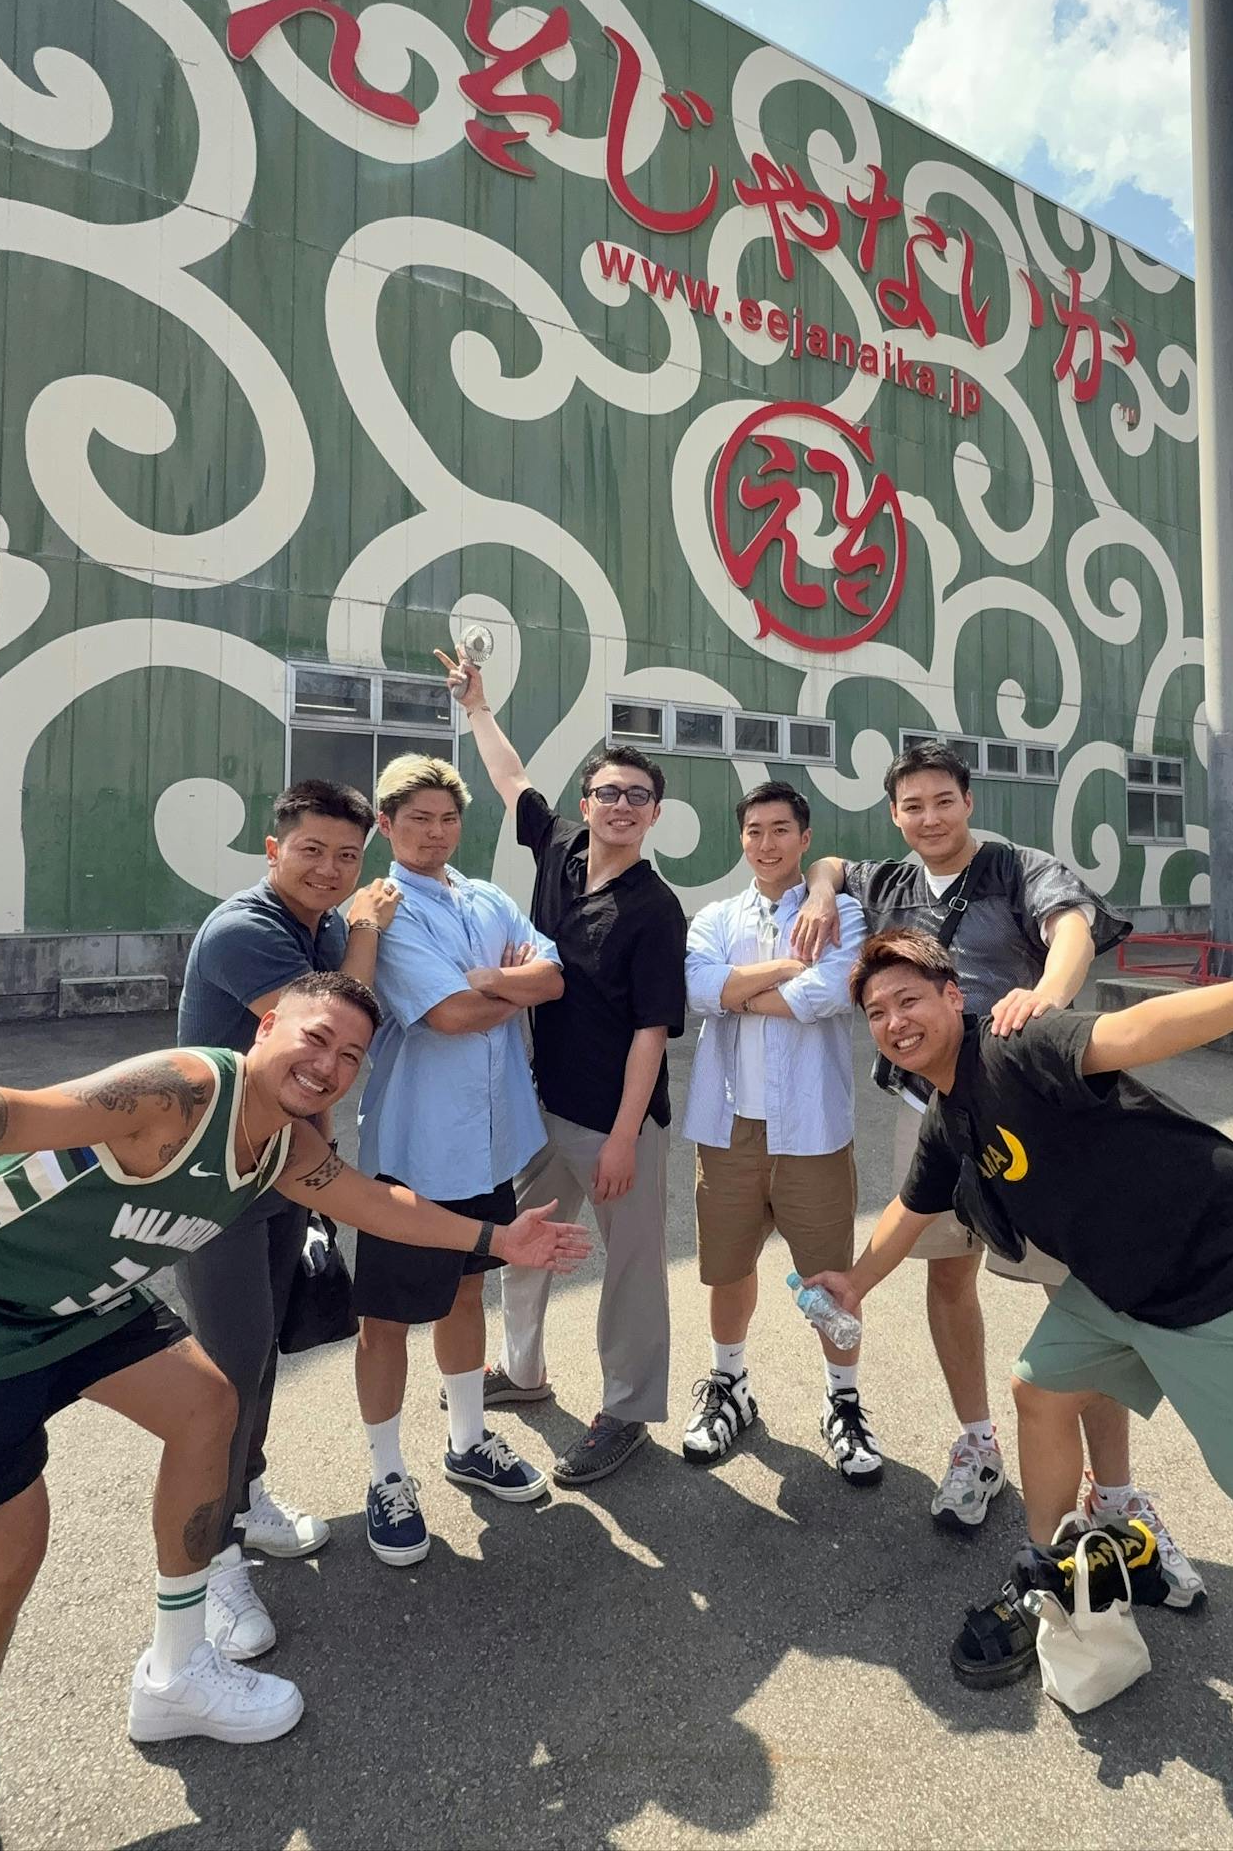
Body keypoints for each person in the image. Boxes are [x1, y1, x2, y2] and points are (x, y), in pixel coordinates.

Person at [0, 973, 589, 1851]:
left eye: (350, 1057)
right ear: (264, 1027)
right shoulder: (184, 1091)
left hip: (85, 1305)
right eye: (315, 1038)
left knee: (208, 1406)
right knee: (3, 1560)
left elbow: (371, 1202)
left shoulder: (281, 1147)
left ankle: (176, 1673)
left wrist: (498, 1239)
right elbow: (3, 1113)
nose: (328, 1065)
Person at [809, 923, 1233, 1851]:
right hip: (1114, 1285)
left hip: (1216, 1269)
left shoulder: (1017, 1045)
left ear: (954, 996)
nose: (894, 1020)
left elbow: (1136, 1033)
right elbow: (912, 1207)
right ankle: (1048, 1574)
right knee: (1039, 1390)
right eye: (877, 1012)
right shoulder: (949, 1113)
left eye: (908, 999)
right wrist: (853, 1282)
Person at [789, 743, 1198, 1602]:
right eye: (912, 805)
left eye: (943, 800)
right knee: (948, 1277)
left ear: (968, 801)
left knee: (1079, 1304)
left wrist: (1049, 994)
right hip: (928, 1111)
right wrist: (823, 889)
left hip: (1023, 1112)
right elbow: (830, 863)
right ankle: (977, 1444)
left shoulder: (1017, 868)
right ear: (894, 814)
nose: (929, 817)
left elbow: (1071, 926)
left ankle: (1116, 1497)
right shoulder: (889, 879)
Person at [437, 644, 688, 1486]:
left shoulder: (656, 910)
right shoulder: (562, 851)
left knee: (632, 1270)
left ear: (654, 814)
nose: (621, 805)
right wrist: (477, 707)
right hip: (541, 1103)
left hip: (617, 1119)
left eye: (638, 796)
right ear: (588, 803)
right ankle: (524, 1371)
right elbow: (510, 779)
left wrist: (621, 1138)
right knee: (525, 1244)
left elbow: (652, 1032)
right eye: (609, 792)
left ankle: (627, 1409)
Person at [175, 779, 402, 1659]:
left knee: (260, 1352)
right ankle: (208, 1564)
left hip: (277, 1172)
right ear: (274, 851)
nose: (330, 870)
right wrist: (367, 931)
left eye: (347, 857)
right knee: (223, 1376)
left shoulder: (320, 926)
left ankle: (244, 1499)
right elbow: (337, 1029)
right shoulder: (247, 930)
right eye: (312, 850)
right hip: (214, 1182)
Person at [353, 754, 565, 1566]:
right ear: (386, 826)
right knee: (385, 1320)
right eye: (417, 819)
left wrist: (497, 983)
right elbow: (448, 1016)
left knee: (469, 1288)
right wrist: (504, 985)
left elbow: (553, 976)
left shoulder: (487, 897)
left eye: (447, 818)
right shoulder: (384, 911)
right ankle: (385, 1473)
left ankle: (468, 1441)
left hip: (490, 1141)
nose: (435, 833)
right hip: (418, 1147)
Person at [680, 781, 877, 1483]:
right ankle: (729, 1385)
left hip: (812, 1131)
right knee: (727, 1268)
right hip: (728, 1128)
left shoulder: (842, 913)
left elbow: (831, 990)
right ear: (742, 839)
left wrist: (739, 993)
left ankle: (843, 1401)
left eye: (780, 830)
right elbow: (696, 989)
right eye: (754, 831)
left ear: (805, 838)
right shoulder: (715, 916)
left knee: (829, 1278)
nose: (766, 843)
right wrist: (786, 973)